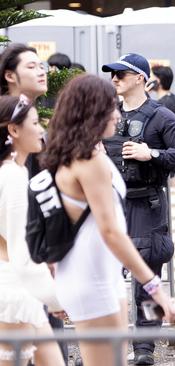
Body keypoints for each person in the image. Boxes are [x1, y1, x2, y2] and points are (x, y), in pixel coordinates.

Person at [40, 74, 175, 366]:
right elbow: (111, 232)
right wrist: (155, 287)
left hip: (101, 277)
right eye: (109, 107)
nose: (116, 114)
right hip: (91, 279)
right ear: (91, 112)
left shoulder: (85, 154)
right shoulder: (86, 159)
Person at [101, 53, 175, 365]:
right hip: (111, 205)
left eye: (122, 74)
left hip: (147, 205)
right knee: (105, 279)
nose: (115, 78)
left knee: (150, 279)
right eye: (112, 74)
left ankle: (145, 348)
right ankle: (105, 349)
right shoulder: (107, 114)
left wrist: (151, 153)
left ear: (140, 78)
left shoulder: (161, 116)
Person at [0, 43, 70, 363]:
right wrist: (56, 297)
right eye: (31, 66)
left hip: (29, 276)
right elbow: (18, 246)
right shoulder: (12, 175)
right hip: (17, 282)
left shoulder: (14, 169)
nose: (41, 71)